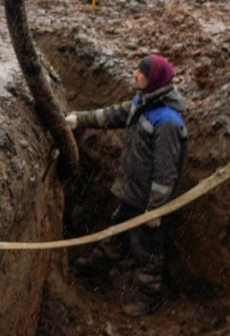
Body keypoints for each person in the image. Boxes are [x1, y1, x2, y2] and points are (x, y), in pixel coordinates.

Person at [65, 54, 188, 316]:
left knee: (148, 250)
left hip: (148, 202)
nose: (134, 74)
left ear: (153, 79)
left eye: (140, 71)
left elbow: (166, 172)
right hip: (133, 193)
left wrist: (155, 210)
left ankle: (149, 296)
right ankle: (94, 268)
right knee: (118, 230)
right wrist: (80, 119)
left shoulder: (167, 122)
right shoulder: (142, 103)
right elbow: (112, 115)